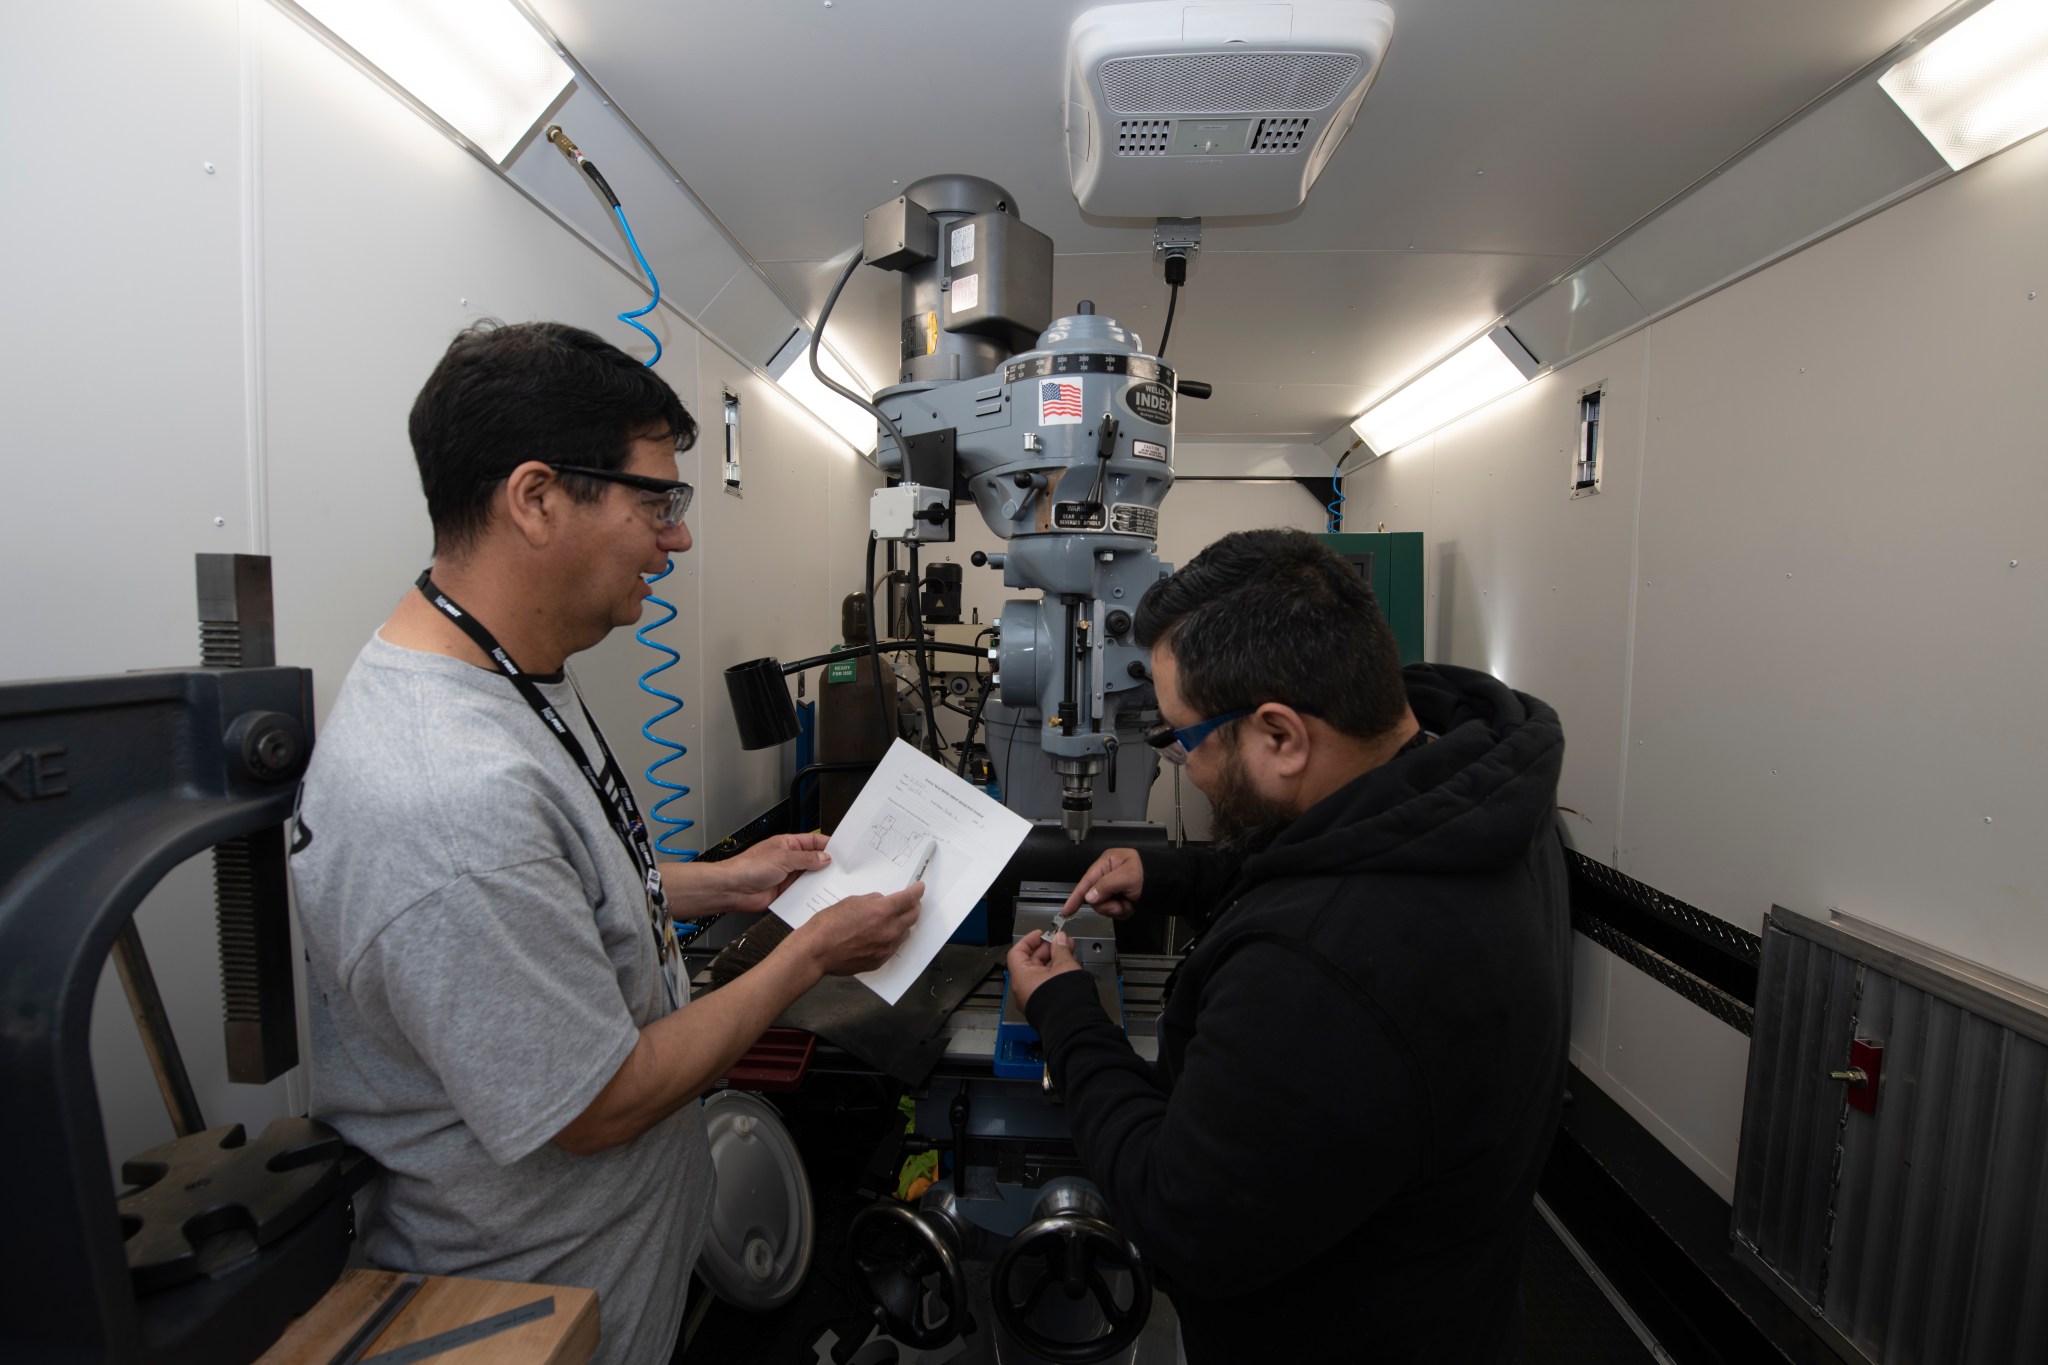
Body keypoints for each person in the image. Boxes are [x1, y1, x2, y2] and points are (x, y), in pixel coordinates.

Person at [292, 321, 920, 1365]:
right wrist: (809, 953)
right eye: (655, 502)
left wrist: (720, 883)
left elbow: (558, 878)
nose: (677, 537)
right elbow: (597, 1103)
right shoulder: (443, 794)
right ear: (536, 499)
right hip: (530, 1304)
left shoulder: (507, 671)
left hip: (617, 1260)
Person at [1005, 528, 1569, 1363]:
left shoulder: (1322, 975)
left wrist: (1065, 1014)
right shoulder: (1472, 798)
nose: (1180, 765)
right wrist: (1177, 878)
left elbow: (1177, 1213)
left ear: (1280, 736)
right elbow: (1330, 849)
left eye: (1181, 737)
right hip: (1451, 1300)